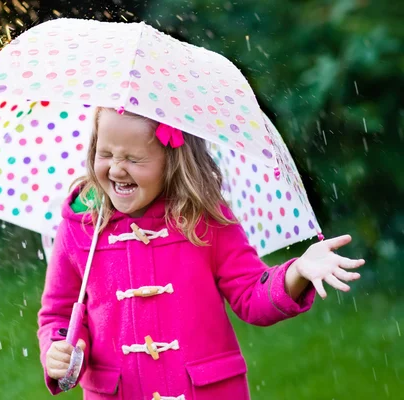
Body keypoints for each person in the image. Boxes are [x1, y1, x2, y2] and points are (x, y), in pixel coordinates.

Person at [37, 107, 365, 399]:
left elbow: (252, 294)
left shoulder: (204, 220)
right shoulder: (82, 225)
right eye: (105, 154)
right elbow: (59, 313)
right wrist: (61, 349)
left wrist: (297, 271)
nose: (117, 170)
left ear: (170, 160)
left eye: (133, 159)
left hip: (204, 390)